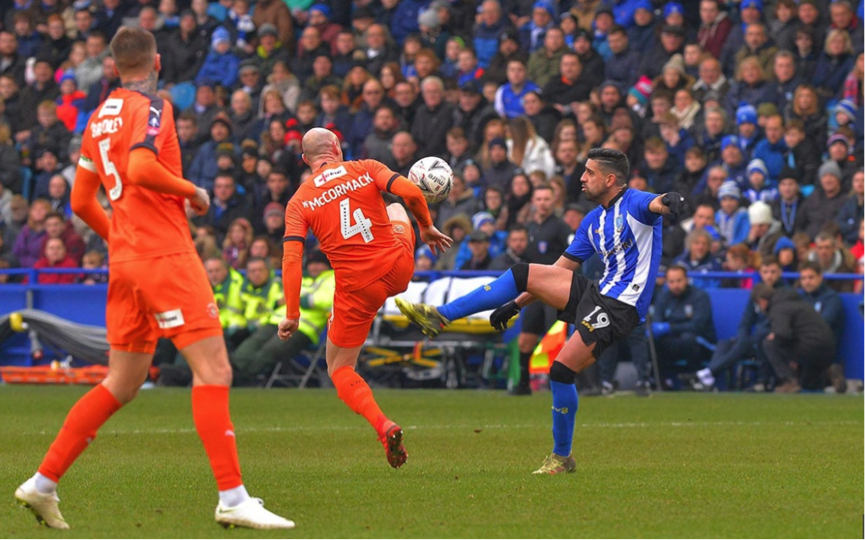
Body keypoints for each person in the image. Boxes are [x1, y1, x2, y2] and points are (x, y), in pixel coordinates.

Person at [14, 28, 294, 530]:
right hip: (165, 254)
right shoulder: (155, 105)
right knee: (215, 371)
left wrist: (119, 237)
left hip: (125, 262)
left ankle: (42, 483)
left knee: (121, 381)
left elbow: (80, 202)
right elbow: (141, 167)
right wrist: (193, 191)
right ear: (157, 61)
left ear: (114, 65)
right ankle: (232, 497)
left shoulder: (97, 119)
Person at [396, 148, 684, 474]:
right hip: (598, 292)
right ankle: (440, 315)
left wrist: (670, 201)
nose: (582, 178)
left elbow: (657, 203)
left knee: (561, 370)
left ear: (610, 179)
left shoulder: (635, 203)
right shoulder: (593, 221)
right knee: (523, 274)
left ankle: (562, 458)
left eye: (589, 173)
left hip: (623, 306)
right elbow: (560, 269)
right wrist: (514, 304)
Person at [279, 127, 451, 469]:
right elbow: (411, 194)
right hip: (398, 267)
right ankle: (385, 427)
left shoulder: (299, 201)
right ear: (337, 148)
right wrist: (426, 226)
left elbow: (291, 259)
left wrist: (293, 313)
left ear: (305, 159)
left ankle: (383, 425)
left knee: (339, 366)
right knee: (397, 209)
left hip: (357, 289)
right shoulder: (365, 167)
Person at [751, 283, 836, 393]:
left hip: (809, 347)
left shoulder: (777, 308)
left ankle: (788, 381)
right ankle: (830, 374)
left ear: (761, 300)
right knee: (808, 384)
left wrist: (776, 336)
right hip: (828, 347)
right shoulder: (797, 302)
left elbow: (783, 333)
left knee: (769, 343)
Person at [650, 265, 716, 377]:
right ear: (667, 282)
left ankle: (694, 378)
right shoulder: (663, 297)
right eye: (671, 282)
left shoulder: (700, 296)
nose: (676, 285)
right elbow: (657, 322)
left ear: (686, 279)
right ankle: (659, 380)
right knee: (654, 342)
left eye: (679, 281)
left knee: (688, 338)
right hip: (672, 341)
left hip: (699, 341)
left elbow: (698, 326)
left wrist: (670, 327)